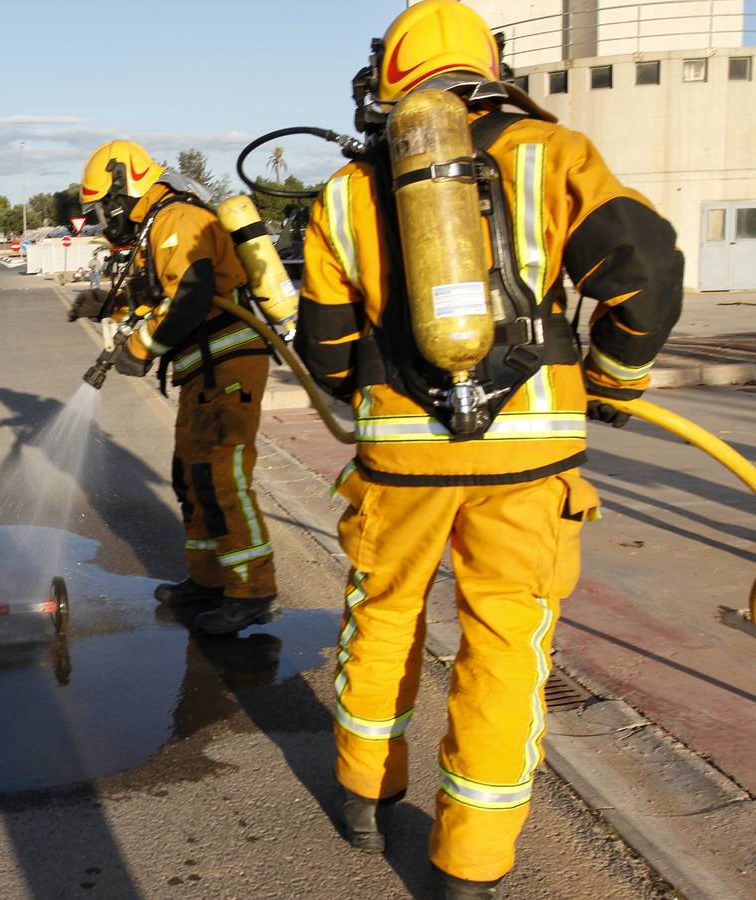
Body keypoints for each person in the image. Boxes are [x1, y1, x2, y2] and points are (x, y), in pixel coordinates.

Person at [294, 2, 683, 896]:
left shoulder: (346, 192)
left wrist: (376, 388)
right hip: (528, 458)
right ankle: (469, 865)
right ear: (492, 69)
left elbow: (326, 348)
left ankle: (364, 797)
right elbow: (649, 274)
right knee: (505, 644)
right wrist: (614, 379)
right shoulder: (554, 153)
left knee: (383, 615)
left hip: (401, 461)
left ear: (384, 80)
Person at [71, 140, 277, 636]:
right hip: (202, 369)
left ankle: (253, 590)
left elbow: (190, 294)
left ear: (120, 190)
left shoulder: (176, 218)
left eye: (100, 208)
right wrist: (102, 303)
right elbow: (154, 295)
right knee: (191, 476)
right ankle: (207, 581)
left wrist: (140, 349)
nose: (101, 220)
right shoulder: (156, 226)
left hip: (228, 363)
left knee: (222, 475)